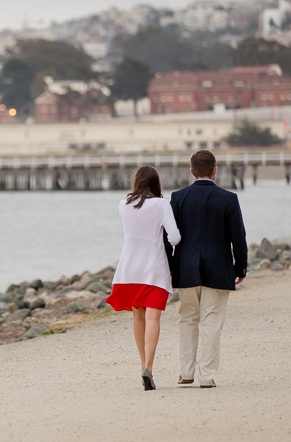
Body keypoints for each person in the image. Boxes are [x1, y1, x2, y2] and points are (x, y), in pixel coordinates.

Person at [168, 150, 247, 389]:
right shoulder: (229, 198)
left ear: (191, 172)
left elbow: (169, 238)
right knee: (212, 321)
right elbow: (238, 238)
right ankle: (207, 375)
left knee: (187, 319)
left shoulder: (178, 198)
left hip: (186, 268)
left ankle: (186, 372)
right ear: (215, 170)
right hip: (218, 268)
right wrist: (240, 267)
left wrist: (171, 269)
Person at [106, 166, 180, 391]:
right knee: (153, 319)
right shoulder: (161, 205)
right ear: (156, 182)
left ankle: (142, 366)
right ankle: (149, 366)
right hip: (153, 270)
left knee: (137, 318)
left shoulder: (123, 205)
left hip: (128, 270)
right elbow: (175, 238)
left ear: (136, 182)